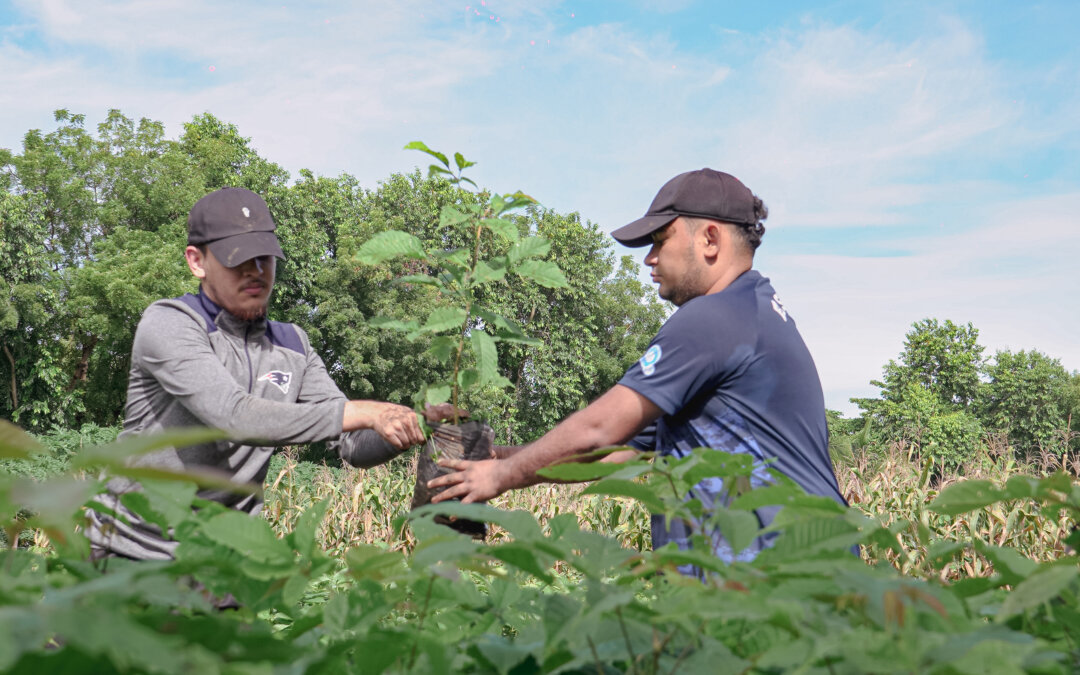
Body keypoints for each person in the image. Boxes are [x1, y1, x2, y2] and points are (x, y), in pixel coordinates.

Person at [427, 168, 848, 573]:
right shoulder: (750, 311)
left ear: (710, 239)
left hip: (782, 582)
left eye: (660, 239)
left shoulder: (715, 318)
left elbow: (599, 429)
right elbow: (613, 455)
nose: (649, 258)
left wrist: (500, 477)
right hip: (794, 574)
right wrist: (490, 459)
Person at [87, 187, 446, 562]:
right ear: (197, 261)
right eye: (236, 260)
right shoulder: (170, 323)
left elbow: (352, 446)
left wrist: (408, 427)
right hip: (133, 551)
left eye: (264, 258)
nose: (255, 272)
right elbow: (233, 416)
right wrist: (370, 412)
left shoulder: (292, 345)